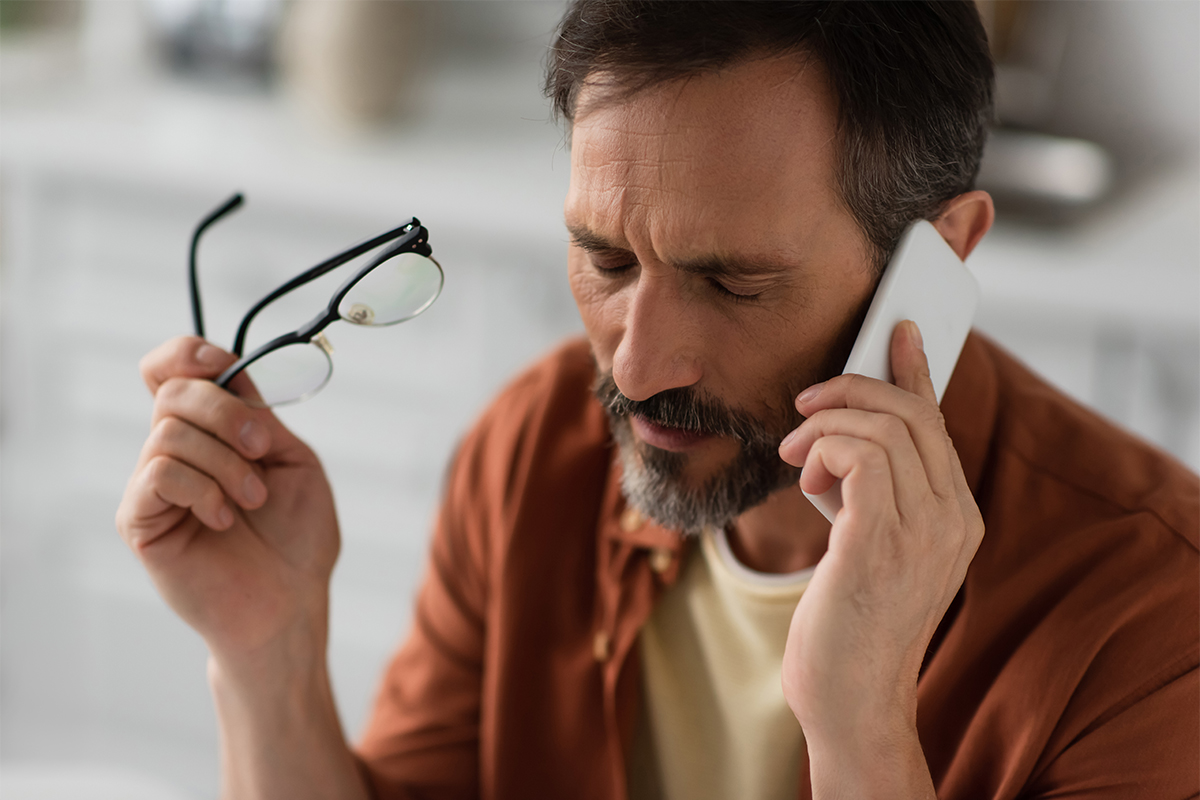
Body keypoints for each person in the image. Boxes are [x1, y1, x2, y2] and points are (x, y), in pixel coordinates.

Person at [115, 2, 1199, 799]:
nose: (633, 370)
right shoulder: (536, 449)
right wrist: (269, 658)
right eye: (605, 259)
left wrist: (865, 725)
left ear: (942, 256)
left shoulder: (1153, 614)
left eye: (732, 281)